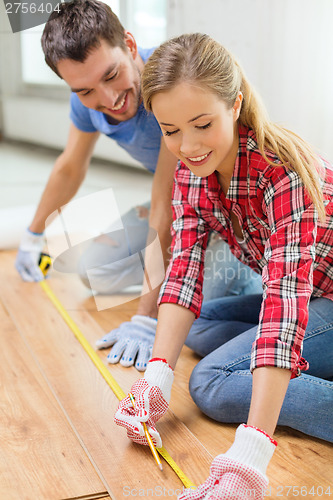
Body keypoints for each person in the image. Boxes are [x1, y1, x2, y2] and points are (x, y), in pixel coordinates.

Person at [114, 33, 333, 499]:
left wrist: (248, 460)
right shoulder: (195, 173)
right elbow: (184, 276)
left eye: (201, 124)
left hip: (317, 297)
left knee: (212, 382)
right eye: (170, 131)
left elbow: (282, 310)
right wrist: (156, 379)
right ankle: (307, 364)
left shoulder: (284, 174)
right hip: (313, 294)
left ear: (234, 105)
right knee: (195, 327)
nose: (187, 146)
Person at [14, 1, 262, 373]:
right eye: (85, 90)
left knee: (196, 317)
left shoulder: (167, 90)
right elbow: (70, 167)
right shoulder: (88, 102)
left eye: (112, 75)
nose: (108, 98)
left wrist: (147, 318)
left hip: (231, 216)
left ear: (129, 45)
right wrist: (34, 235)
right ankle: (181, 274)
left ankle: (250, 276)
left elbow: (164, 206)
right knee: (93, 270)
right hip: (183, 206)